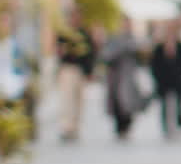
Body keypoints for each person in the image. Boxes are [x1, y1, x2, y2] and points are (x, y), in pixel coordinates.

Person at [54, 7, 95, 143]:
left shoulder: (84, 34)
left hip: (80, 70)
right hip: (68, 69)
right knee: (67, 99)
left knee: (79, 100)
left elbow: (90, 54)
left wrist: (89, 71)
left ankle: (75, 127)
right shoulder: (64, 34)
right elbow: (58, 52)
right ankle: (67, 127)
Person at [100, 16, 142, 140]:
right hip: (116, 76)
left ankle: (127, 126)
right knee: (118, 101)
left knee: (128, 101)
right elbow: (106, 55)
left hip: (129, 75)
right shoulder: (114, 38)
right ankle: (119, 127)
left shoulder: (133, 39)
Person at [149, 22, 181, 138]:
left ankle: (178, 124)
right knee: (164, 105)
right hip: (163, 82)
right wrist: (158, 78)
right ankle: (166, 127)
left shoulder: (180, 46)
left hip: (176, 81)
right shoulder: (159, 48)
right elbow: (154, 65)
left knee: (178, 104)